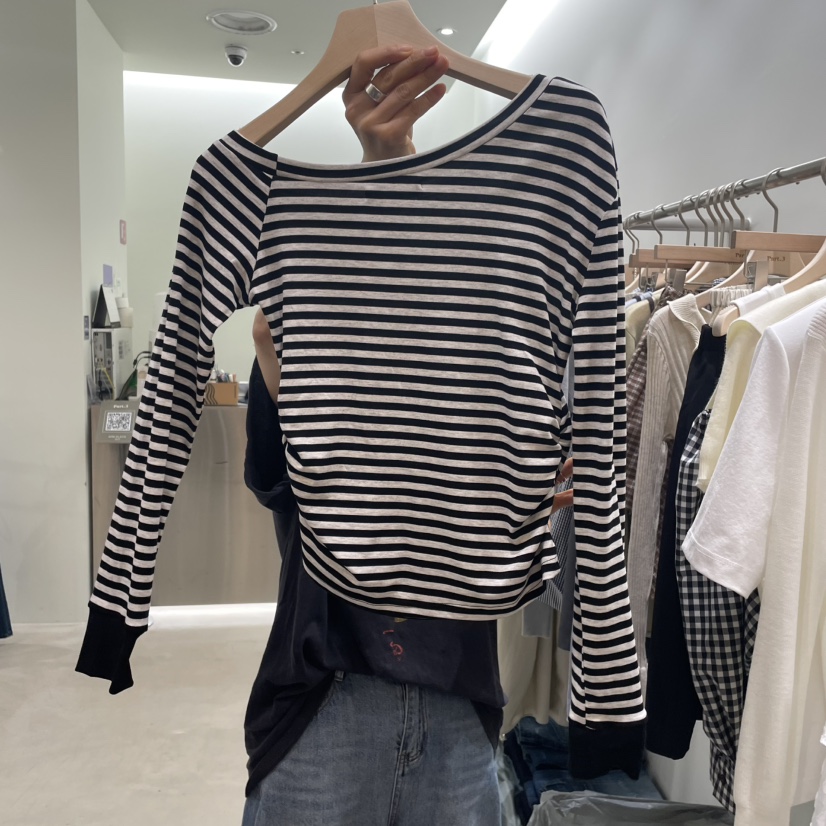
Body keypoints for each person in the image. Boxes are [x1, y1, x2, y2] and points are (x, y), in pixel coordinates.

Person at [241, 45, 573, 826]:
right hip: (325, 698)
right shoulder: (313, 339)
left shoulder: (495, 365)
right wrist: (382, 174)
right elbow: (278, 458)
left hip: (459, 703)